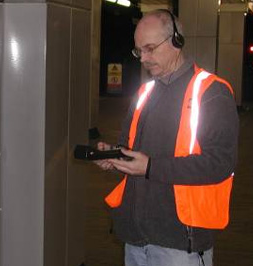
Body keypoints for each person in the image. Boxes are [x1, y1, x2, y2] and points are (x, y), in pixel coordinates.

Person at [94, 9, 239, 266]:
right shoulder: (145, 92)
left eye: (150, 48)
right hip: (136, 238)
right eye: (139, 51)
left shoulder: (211, 92)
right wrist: (116, 156)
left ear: (176, 41)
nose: (144, 59)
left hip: (180, 243)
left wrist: (150, 166)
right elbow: (134, 152)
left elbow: (220, 164)